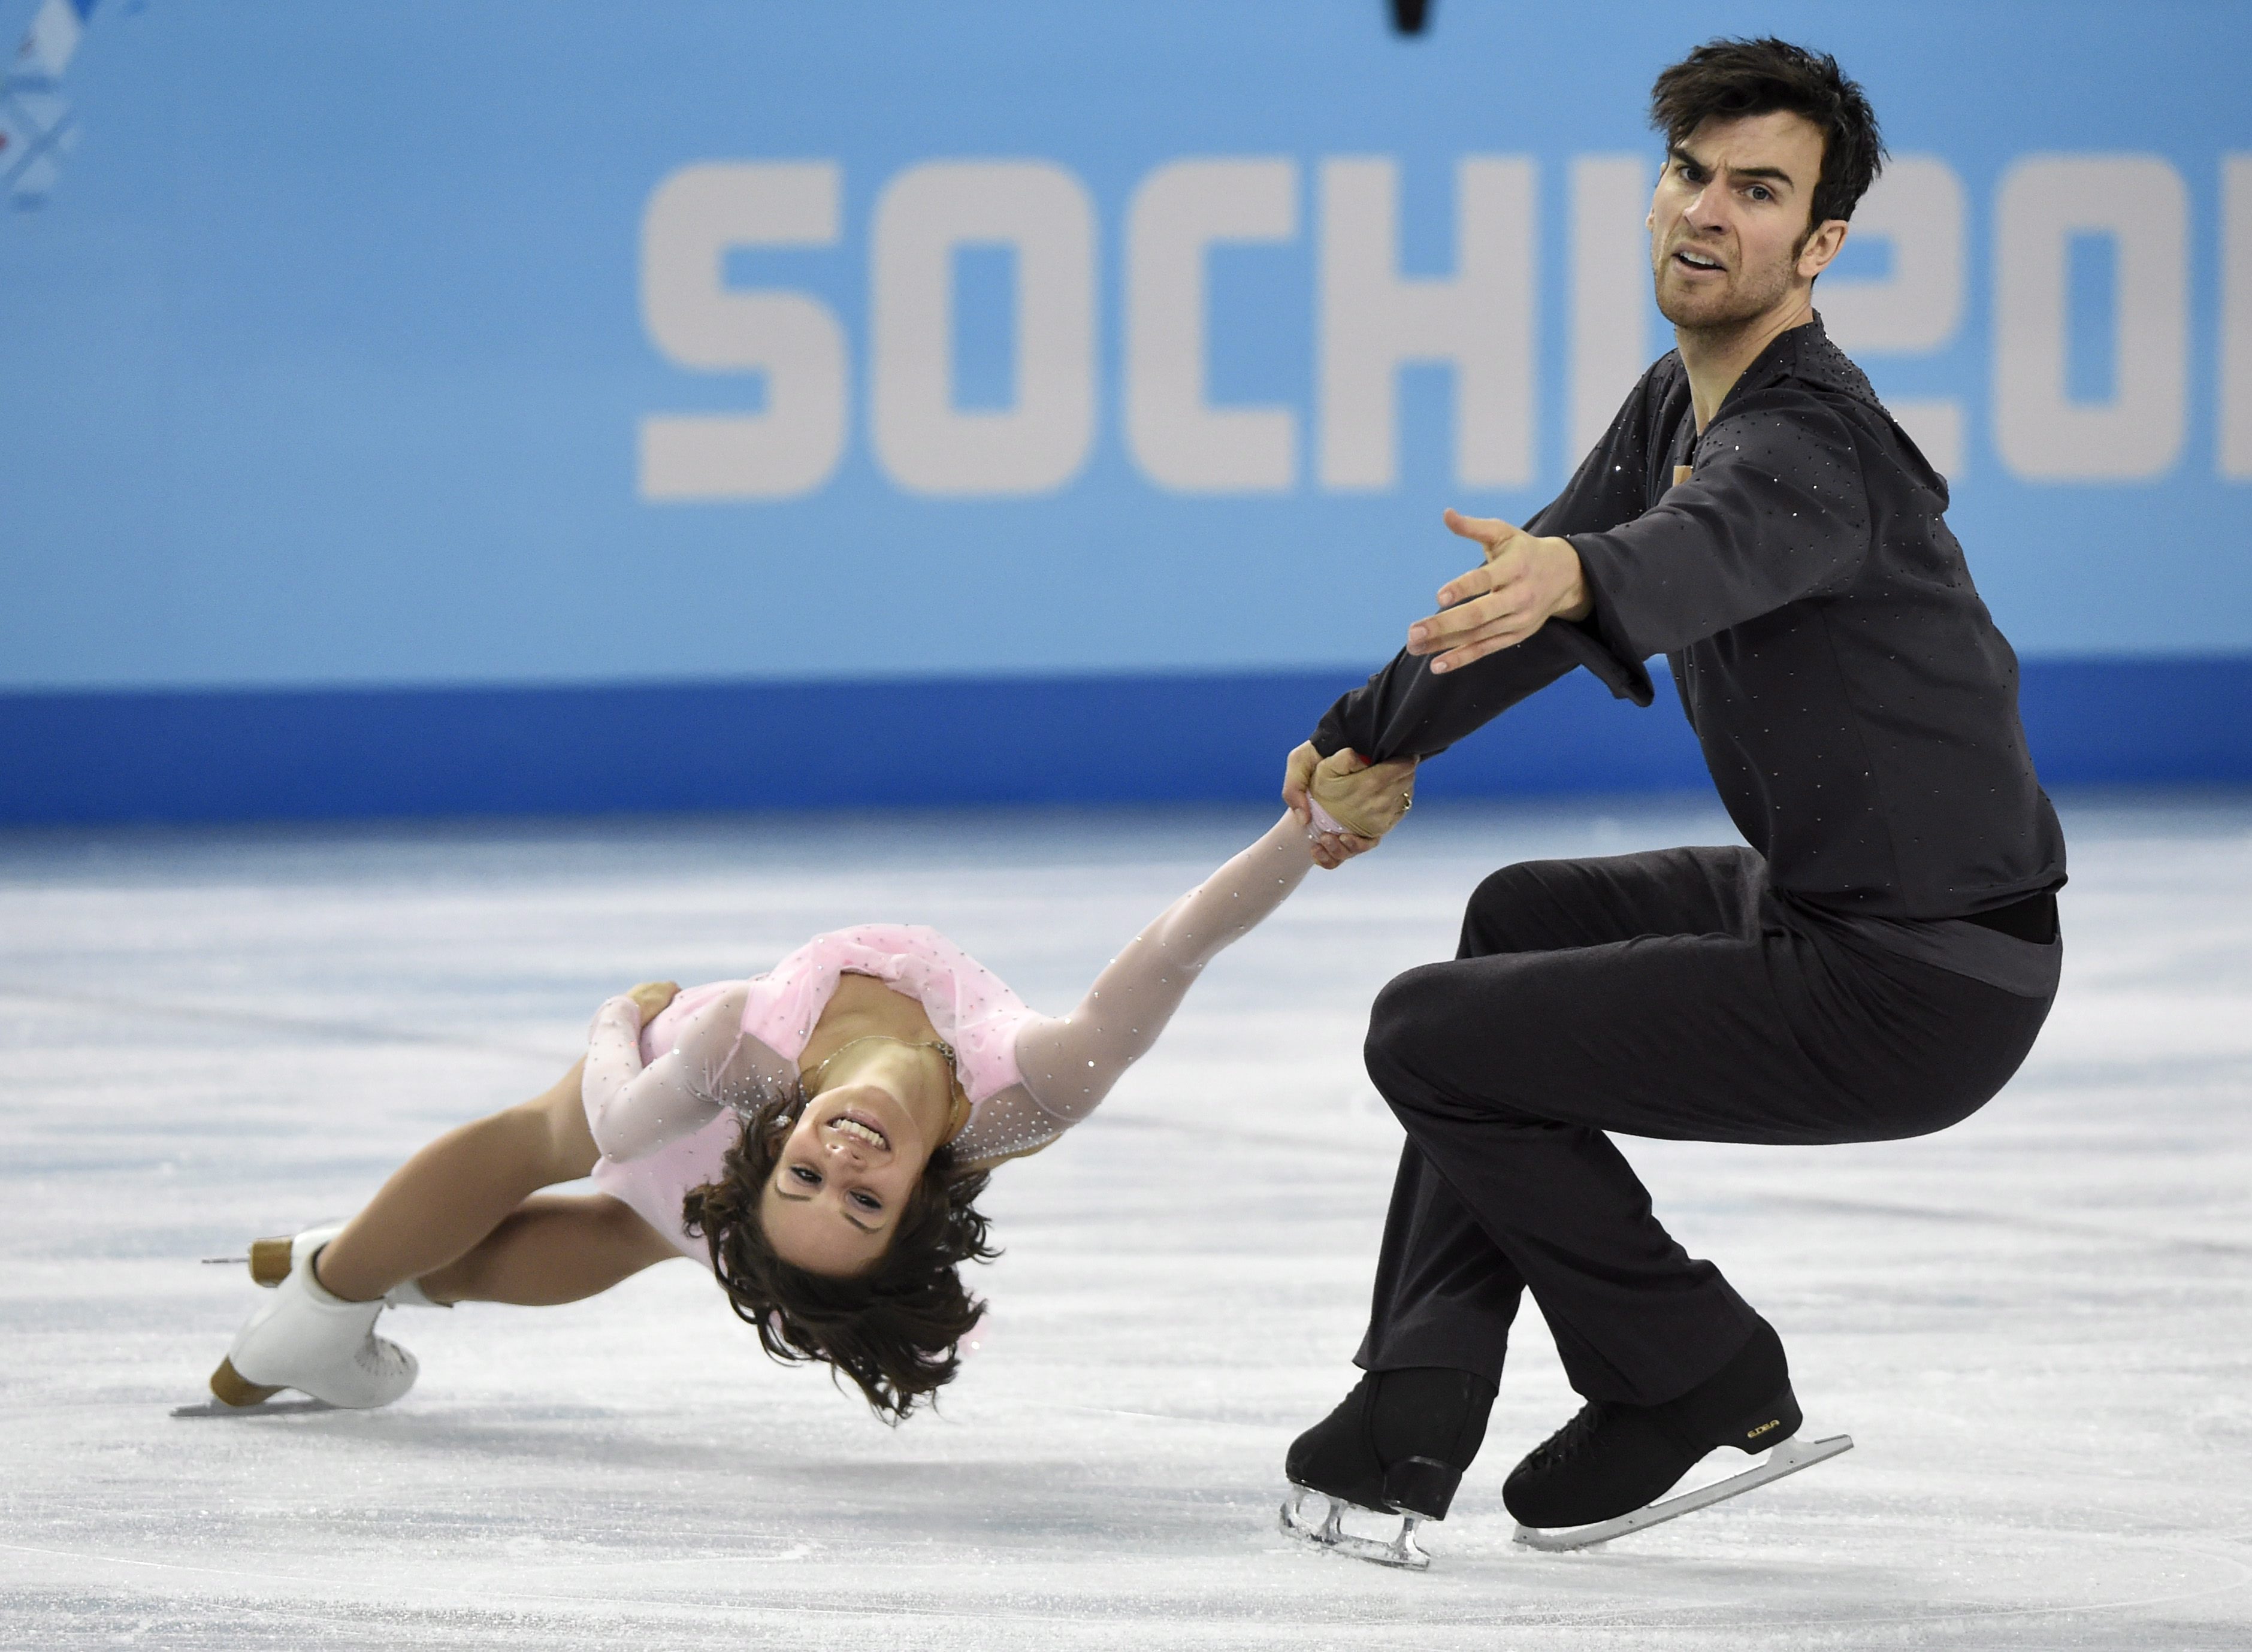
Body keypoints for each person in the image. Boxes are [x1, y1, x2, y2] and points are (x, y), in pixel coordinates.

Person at [1277, 36, 2067, 1560]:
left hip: (1925, 981)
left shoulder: (1811, 441)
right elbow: (1532, 596)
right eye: (1690, 173)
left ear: (1819, 244)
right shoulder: (1677, 402)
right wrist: (1367, 740)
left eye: (1758, 189)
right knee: (1511, 923)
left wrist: (1581, 571)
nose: (1708, 211)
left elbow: (1668, 557)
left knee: (1424, 1036)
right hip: (1838, 910)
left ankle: (1688, 1361)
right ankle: (1422, 1388)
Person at [207, 761, 1404, 1421]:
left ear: (772, 1156)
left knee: (594, 1175)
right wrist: (1305, 832)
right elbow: (1181, 944)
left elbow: (623, 1119)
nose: (845, 1153)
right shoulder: (1034, 1087)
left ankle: (330, 1287)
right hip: (705, 1124)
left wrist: (618, 1024)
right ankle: (350, 1280)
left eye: (812, 1178)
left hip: (690, 1103)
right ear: (921, 1199)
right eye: (865, 1196)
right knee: (614, 1214)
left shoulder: (743, 1051)